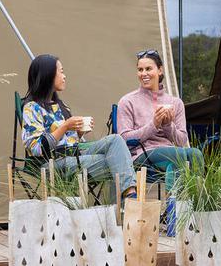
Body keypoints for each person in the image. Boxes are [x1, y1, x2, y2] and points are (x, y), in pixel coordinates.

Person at [22, 54, 136, 199]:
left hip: (73, 155)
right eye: (61, 71)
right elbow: (37, 149)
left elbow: (69, 142)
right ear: (48, 75)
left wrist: (79, 133)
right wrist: (65, 126)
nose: (65, 76)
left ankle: (130, 196)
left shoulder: (60, 105)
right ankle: (124, 208)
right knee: (116, 161)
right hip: (51, 164)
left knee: (115, 140)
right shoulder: (32, 108)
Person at [116, 49, 204, 176]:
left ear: (160, 70)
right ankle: (176, 195)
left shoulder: (176, 103)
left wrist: (168, 125)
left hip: (171, 151)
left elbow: (181, 141)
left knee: (192, 155)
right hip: (142, 154)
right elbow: (124, 139)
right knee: (186, 156)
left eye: (148, 69)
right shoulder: (128, 101)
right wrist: (154, 125)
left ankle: (195, 195)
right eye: (140, 70)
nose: (144, 74)